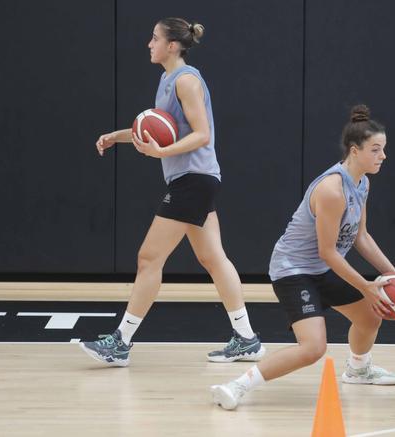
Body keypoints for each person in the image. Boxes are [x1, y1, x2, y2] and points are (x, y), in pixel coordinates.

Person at [81, 17, 264, 366]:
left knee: (149, 258)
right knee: (213, 258)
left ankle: (121, 343)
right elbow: (158, 127)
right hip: (198, 178)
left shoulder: (187, 80)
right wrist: (117, 137)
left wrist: (161, 153)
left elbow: (202, 134)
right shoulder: (167, 80)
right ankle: (247, 338)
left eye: (154, 38)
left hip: (193, 179)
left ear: (173, 45)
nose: (149, 44)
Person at [211, 104, 395, 410]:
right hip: (293, 270)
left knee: (370, 316)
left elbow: (361, 236)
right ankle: (236, 386)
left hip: (321, 267)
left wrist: (393, 273)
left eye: (383, 149)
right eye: (376, 149)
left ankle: (358, 370)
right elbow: (327, 251)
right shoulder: (332, 190)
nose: (383, 156)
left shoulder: (362, 183)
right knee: (313, 348)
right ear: (355, 151)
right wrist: (367, 286)